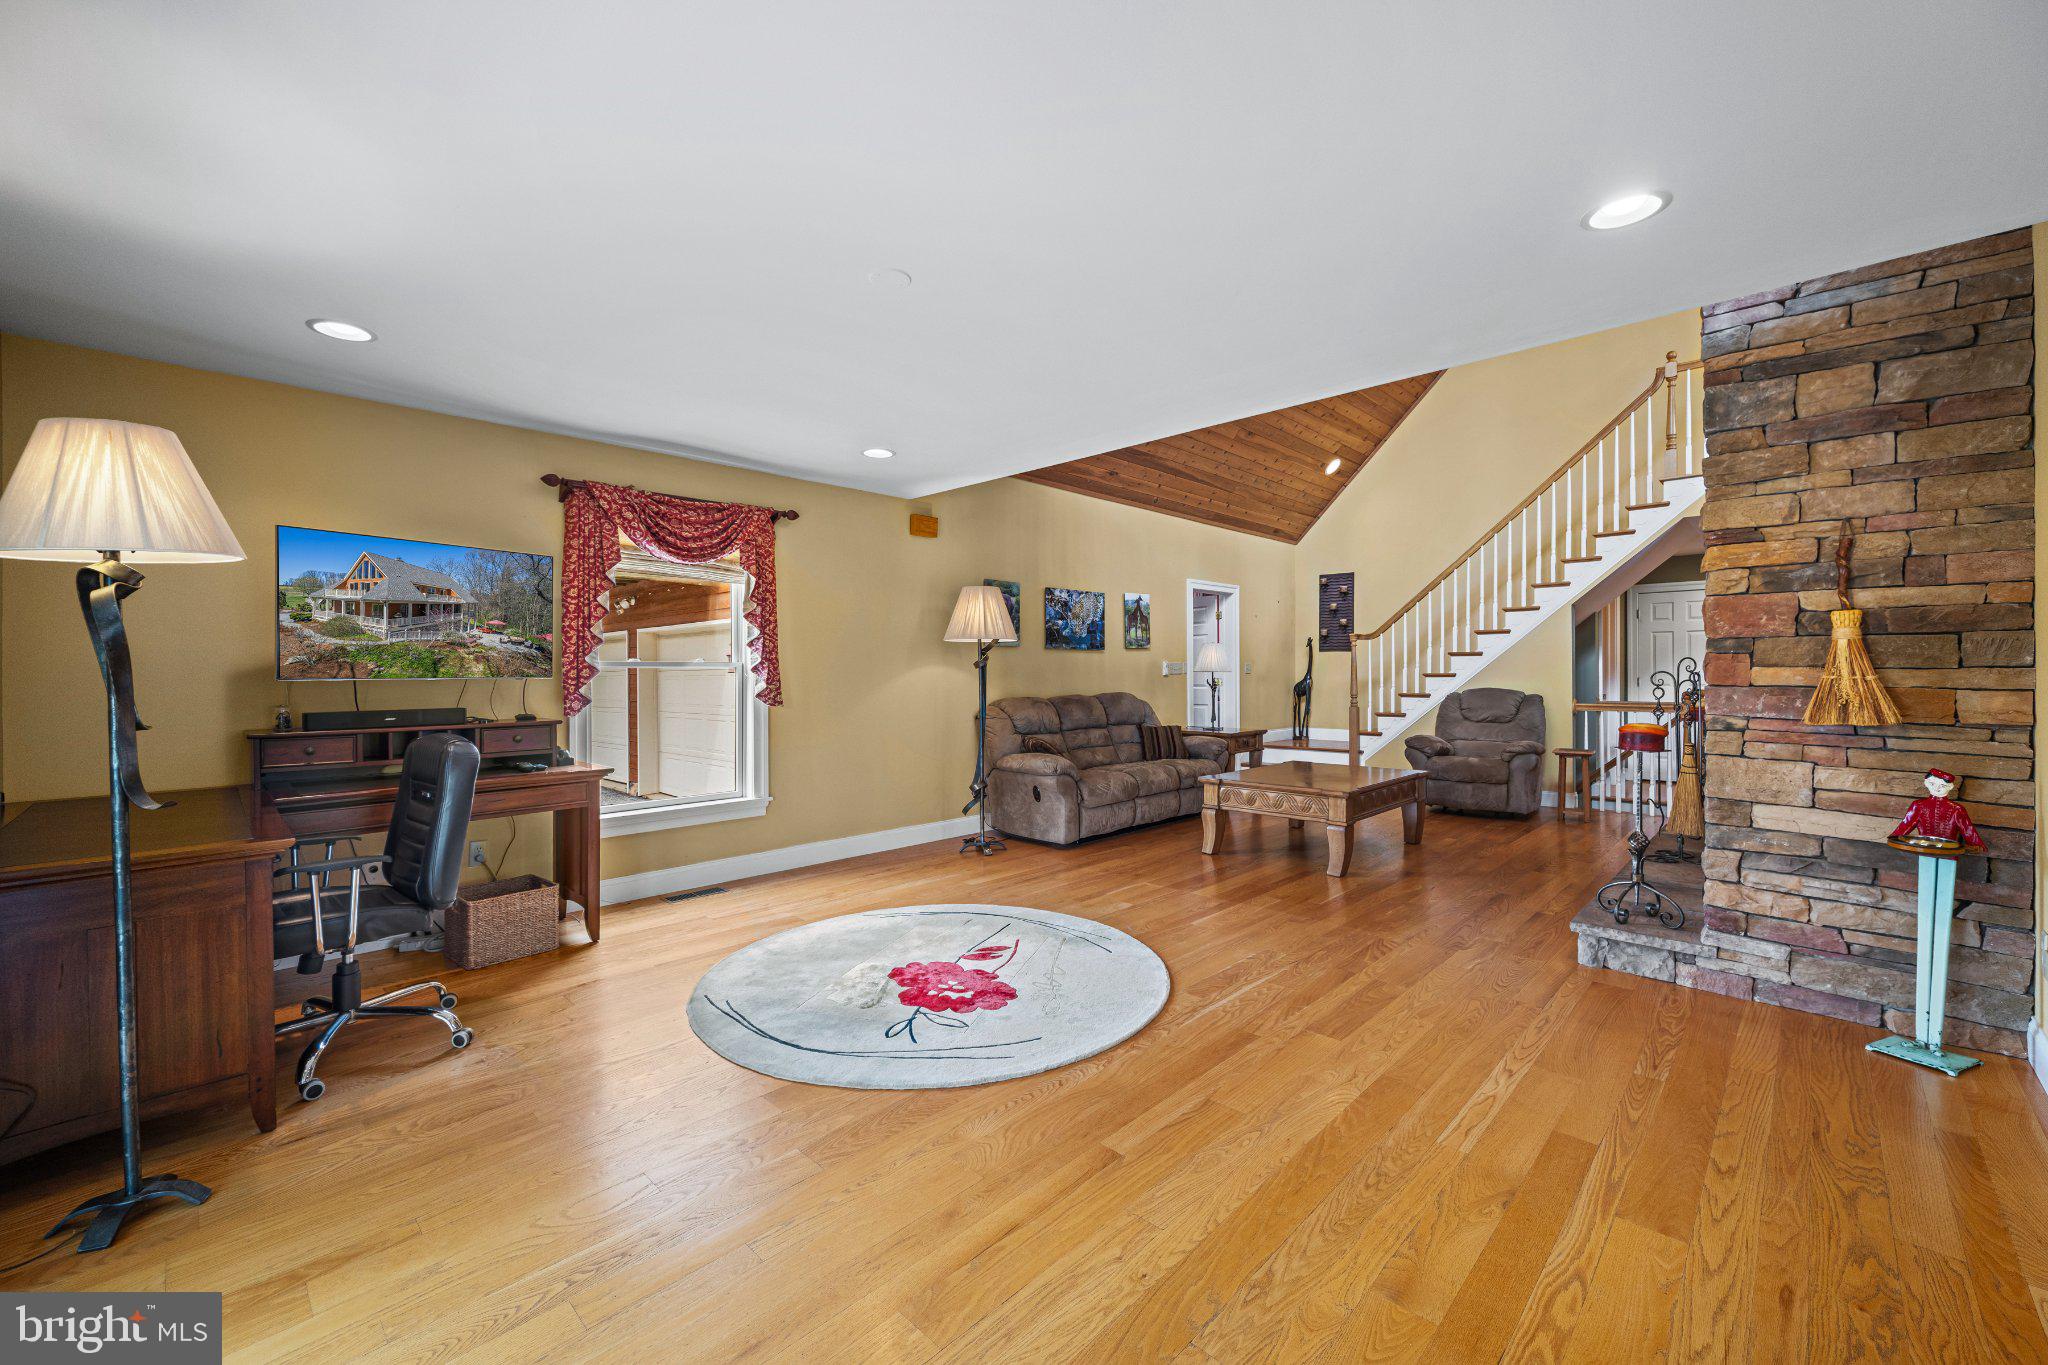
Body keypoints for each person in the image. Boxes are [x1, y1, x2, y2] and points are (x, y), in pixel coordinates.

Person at [1888, 768, 1985, 851]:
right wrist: (1894, 838)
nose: (1937, 788)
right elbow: (1906, 825)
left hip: (1948, 852)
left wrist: (1976, 845)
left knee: (1947, 867)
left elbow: (1968, 829)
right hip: (1924, 850)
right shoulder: (1918, 805)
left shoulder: (1957, 809)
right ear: (1926, 783)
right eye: (1932, 784)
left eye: (1942, 785)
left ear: (1950, 787)